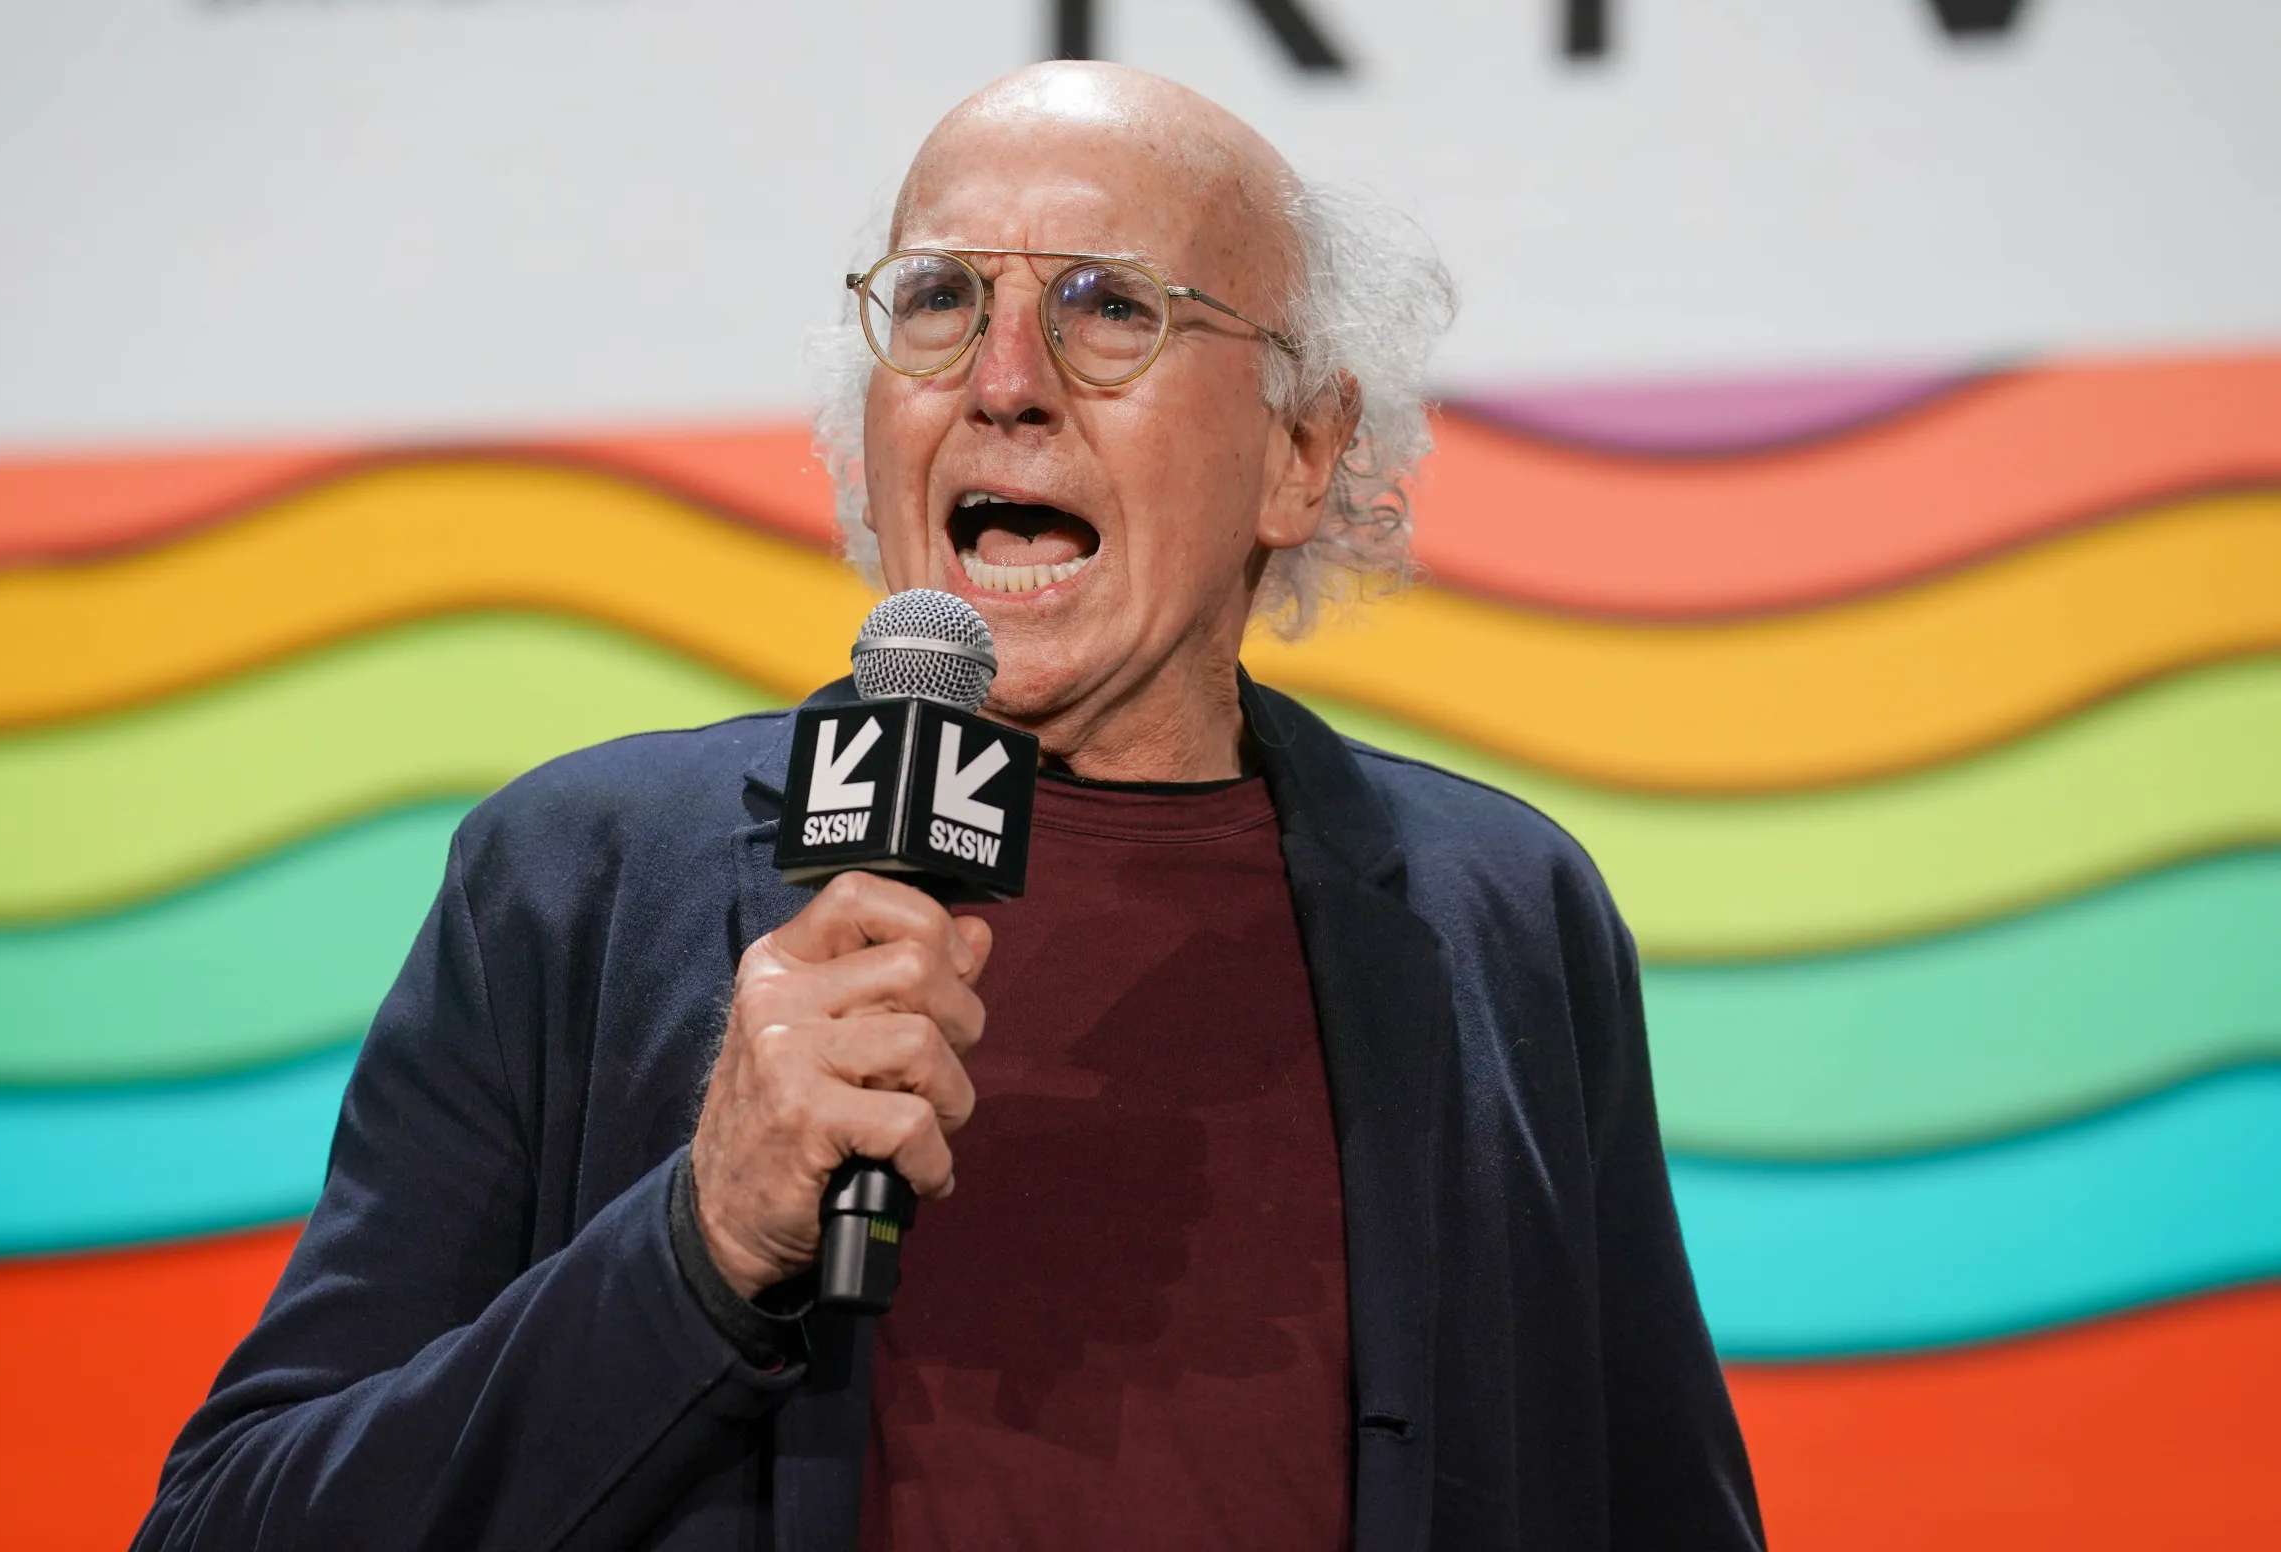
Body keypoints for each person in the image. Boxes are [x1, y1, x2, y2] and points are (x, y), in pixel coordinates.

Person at [136, 61, 1763, 1552]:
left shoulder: (1503, 916)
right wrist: (698, 1243)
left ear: (1302, 447)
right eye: (936, 303)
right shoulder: (576, 882)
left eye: (1109, 307)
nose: (1004, 382)